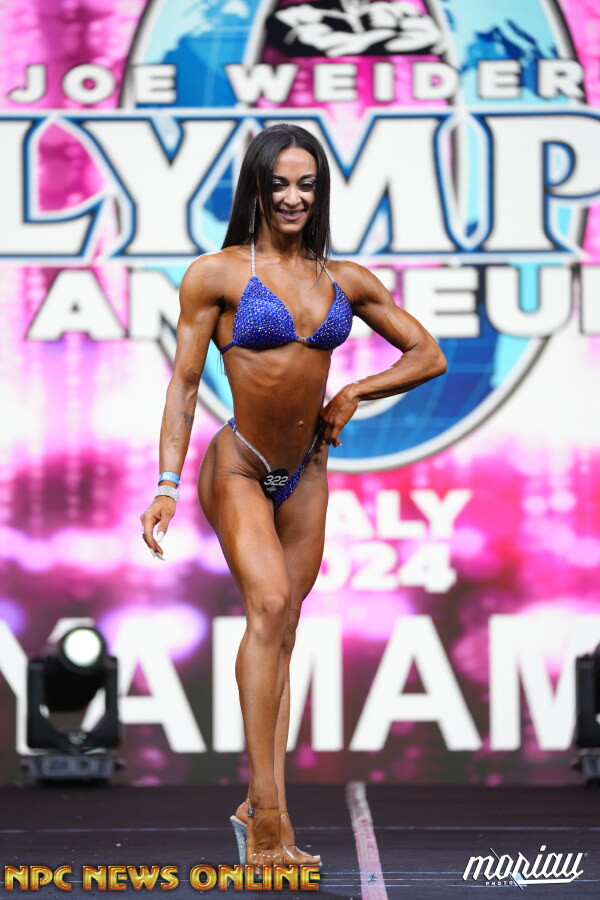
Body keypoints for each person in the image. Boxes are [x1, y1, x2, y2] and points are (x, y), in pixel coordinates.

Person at [140, 123, 446, 873]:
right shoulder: (216, 275)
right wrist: (167, 483)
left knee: (284, 632)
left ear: (320, 192)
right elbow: (184, 385)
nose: (292, 196)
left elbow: (428, 355)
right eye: (278, 183)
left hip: (306, 471)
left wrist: (356, 391)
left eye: (306, 184)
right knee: (270, 606)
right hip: (239, 466)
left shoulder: (345, 279)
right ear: (256, 188)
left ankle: (262, 808)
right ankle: (268, 814)